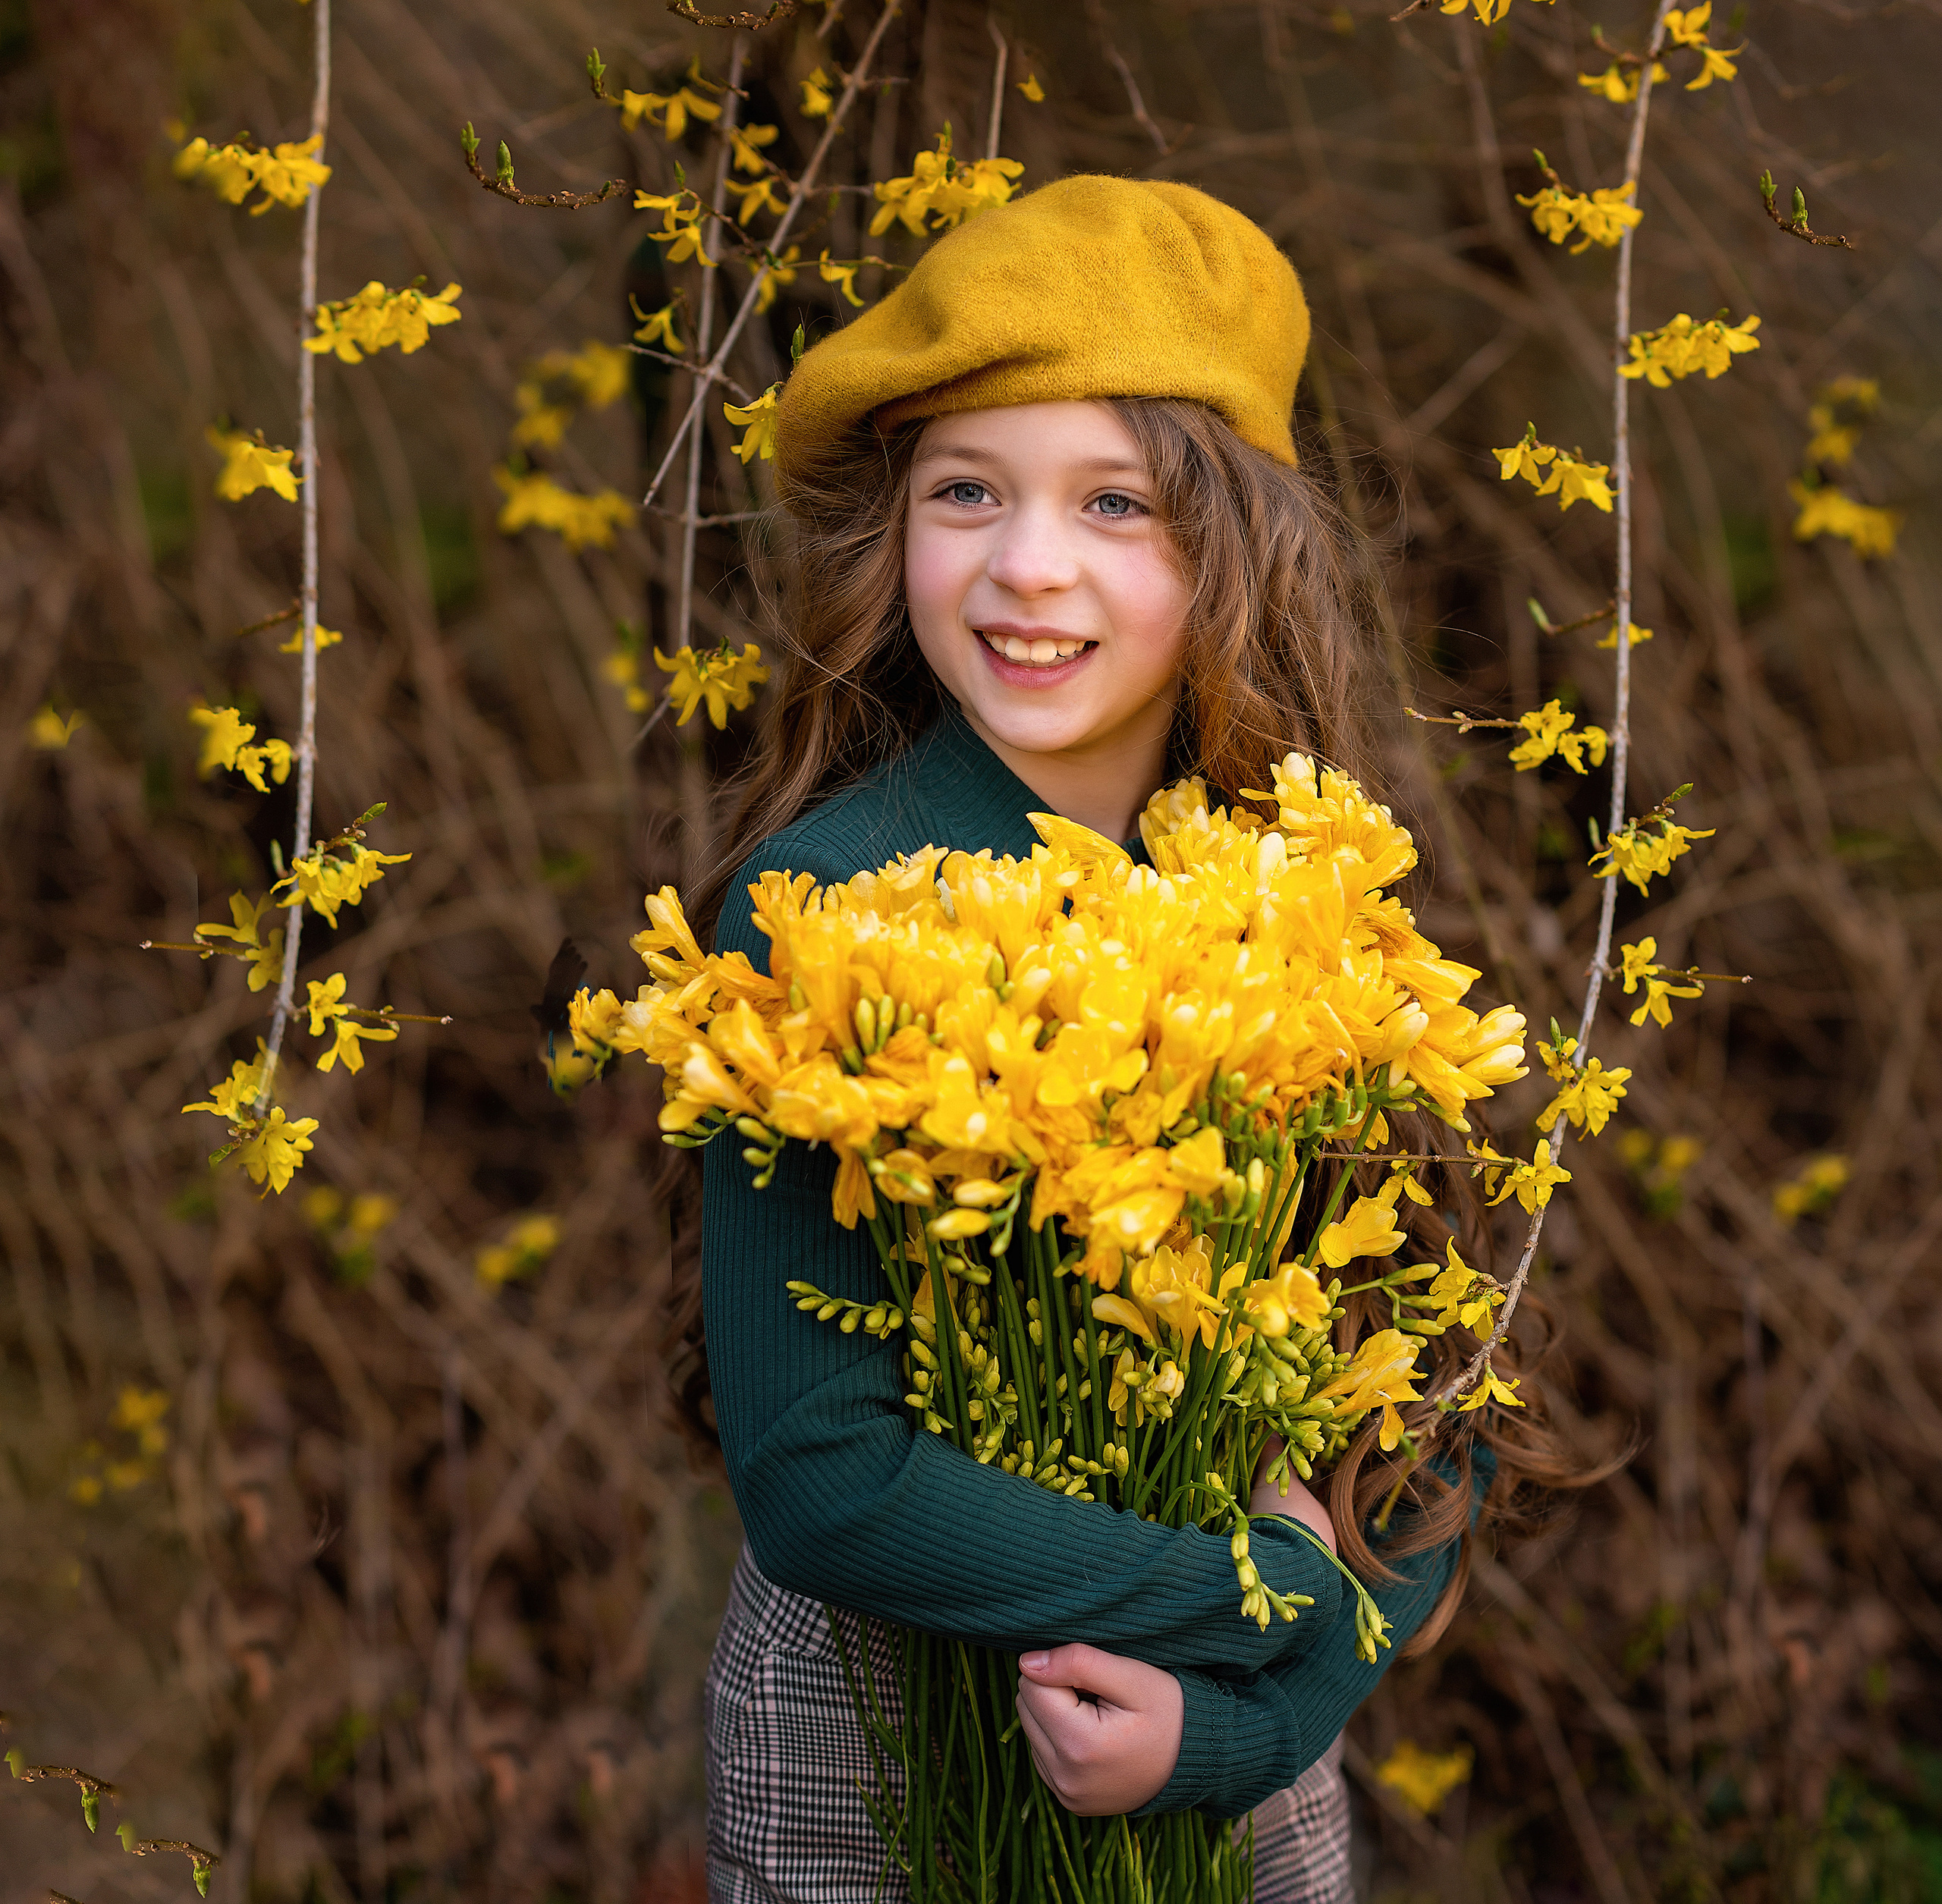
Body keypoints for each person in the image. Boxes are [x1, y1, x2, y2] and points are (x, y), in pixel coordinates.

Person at [680, 174, 1551, 1904]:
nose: (1025, 565)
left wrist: (1233, 1723)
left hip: (1226, 1729)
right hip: (878, 1743)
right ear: (892, 535)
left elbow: (1414, 1394)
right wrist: (1260, 1590)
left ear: (1236, 546)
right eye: (964, 493)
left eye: (1115, 502)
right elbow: (822, 1485)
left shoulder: (1307, 888)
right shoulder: (822, 902)